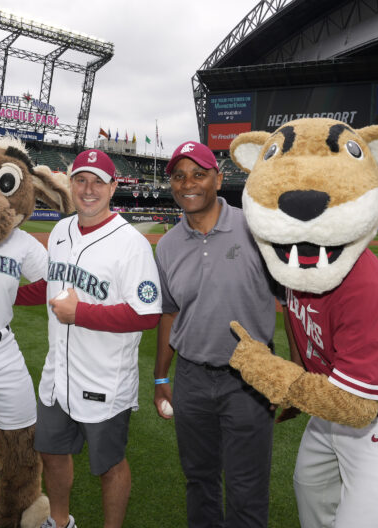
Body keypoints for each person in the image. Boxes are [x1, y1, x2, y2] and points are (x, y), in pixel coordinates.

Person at [17, 149, 162, 528]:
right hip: (57, 373)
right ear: (70, 183)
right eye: (81, 179)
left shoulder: (131, 244)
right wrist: (7, 294)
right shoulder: (63, 230)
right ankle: (60, 522)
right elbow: (52, 286)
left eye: (98, 181)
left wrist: (81, 314)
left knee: (109, 466)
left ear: (114, 187)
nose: (89, 189)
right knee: (51, 452)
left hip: (104, 380)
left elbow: (147, 314)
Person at [154, 141, 281, 528]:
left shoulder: (256, 227)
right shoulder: (168, 245)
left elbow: (289, 299)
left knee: (246, 488)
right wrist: (161, 376)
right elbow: (170, 313)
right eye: (179, 176)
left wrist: (290, 374)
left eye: (198, 173)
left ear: (219, 178)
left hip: (248, 379)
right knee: (199, 479)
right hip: (191, 378)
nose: (188, 183)